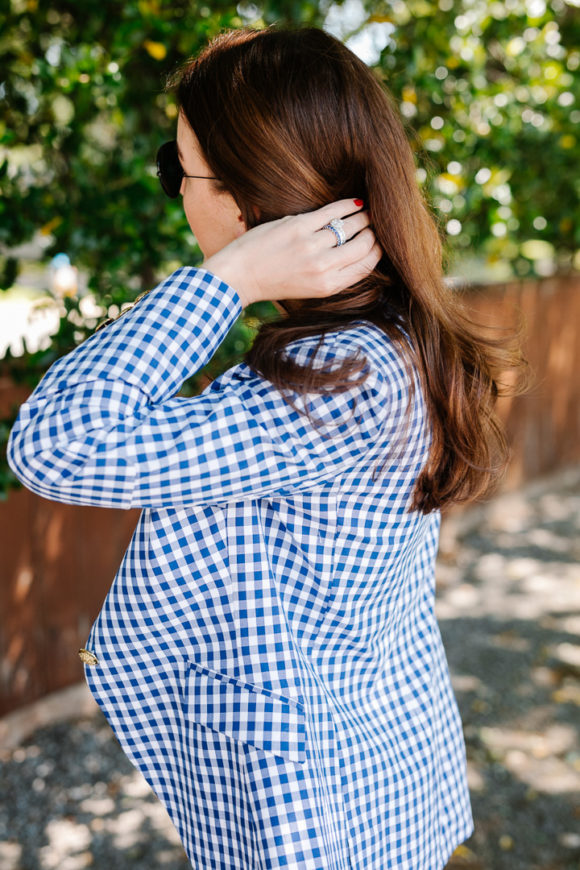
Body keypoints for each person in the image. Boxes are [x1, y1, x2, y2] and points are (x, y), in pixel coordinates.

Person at [7, 23, 526, 870]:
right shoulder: (390, 336)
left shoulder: (335, 382)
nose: (177, 193)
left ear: (253, 199)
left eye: (184, 171)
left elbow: (56, 444)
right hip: (377, 772)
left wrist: (226, 280)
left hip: (317, 816)